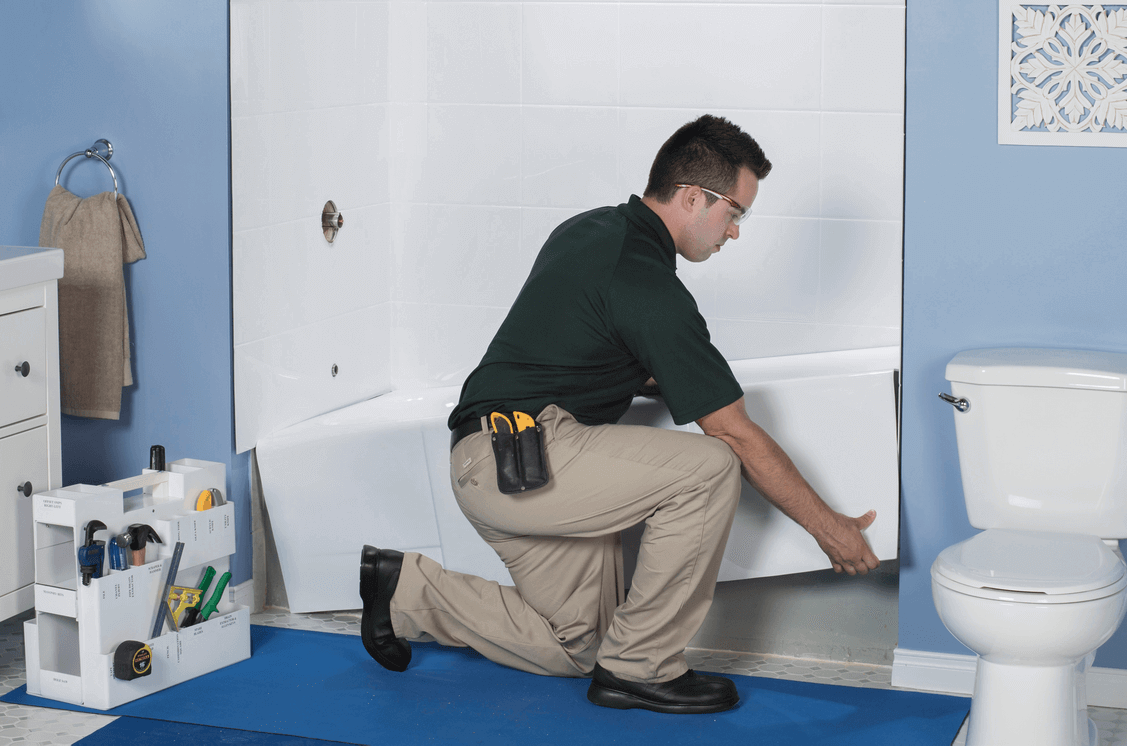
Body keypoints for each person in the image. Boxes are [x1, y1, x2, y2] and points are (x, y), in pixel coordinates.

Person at [358, 114, 880, 714]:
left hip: (503, 463)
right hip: (521, 455)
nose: (734, 232)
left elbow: (585, 344)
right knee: (710, 465)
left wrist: (677, 375)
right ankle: (641, 667)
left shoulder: (592, 231)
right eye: (736, 212)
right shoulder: (645, 283)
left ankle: (404, 590)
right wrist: (828, 528)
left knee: (573, 646)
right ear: (693, 197)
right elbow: (733, 432)